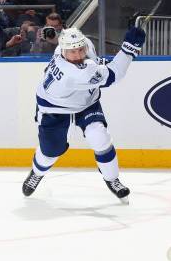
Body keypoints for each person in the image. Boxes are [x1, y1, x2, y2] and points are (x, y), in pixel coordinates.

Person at [21, 26, 146, 201]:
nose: (78, 54)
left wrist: (56, 33)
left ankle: (112, 179)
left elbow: (73, 39)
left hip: (87, 103)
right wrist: (129, 49)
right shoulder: (74, 72)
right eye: (72, 52)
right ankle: (37, 172)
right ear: (63, 51)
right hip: (54, 108)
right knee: (50, 151)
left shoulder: (71, 45)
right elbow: (115, 74)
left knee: (98, 136)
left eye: (80, 49)